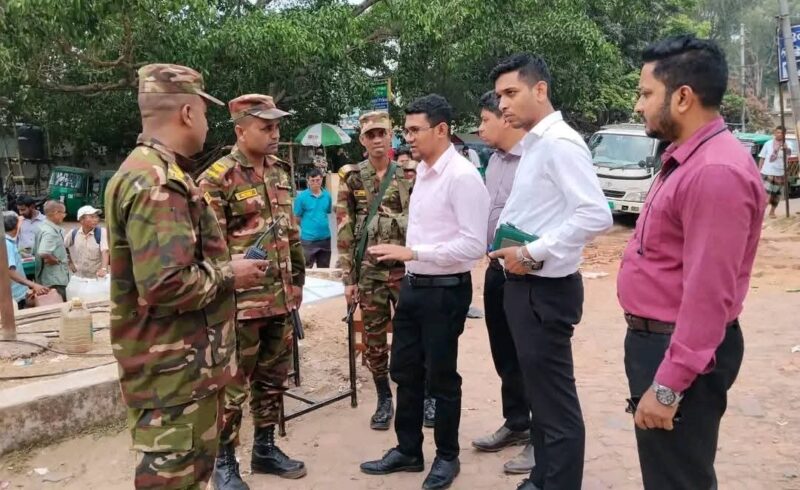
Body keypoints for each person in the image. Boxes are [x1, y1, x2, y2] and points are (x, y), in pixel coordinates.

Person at [105, 64, 268, 490]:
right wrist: (230, 273)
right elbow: (166, 283)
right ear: (188, 113)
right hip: (174, 377)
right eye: (206, 113)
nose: (208, 125)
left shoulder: (156, 172)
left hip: (182, 371)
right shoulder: (157, 181)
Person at [618, 35, 765, 490]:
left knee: (677, 479)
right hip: (663, 344)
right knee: (670, 472)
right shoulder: (689, 158)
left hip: (679, 352)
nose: (639, 105)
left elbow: (708, 296)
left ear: (682, 97)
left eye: (646, 93)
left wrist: (668, 386)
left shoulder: (714, 172)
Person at [488, 53, 613, 490]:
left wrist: (533, 251)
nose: (502, 104)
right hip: (526, 288)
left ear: (540, 90)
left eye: (511, 93)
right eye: (499, 96)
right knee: (541, 398)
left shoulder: (560, 143)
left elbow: (595, 214)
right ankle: (542, 478)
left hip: (544, 290)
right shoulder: (535, 144)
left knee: (556, 405)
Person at [360, 95, 490, 490]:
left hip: (445, 291)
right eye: (407, 130)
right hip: (415, 286)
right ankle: (408, 450)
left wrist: (414, 253)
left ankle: (447, 456)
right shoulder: (423, 172)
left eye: (415, 130)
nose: (408, 137)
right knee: (405, 371)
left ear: (442, 130)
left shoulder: (462, 177)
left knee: (441, 378)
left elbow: (474, 246)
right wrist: (410, 259)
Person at [198, 93, 307, 488]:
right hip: (238, 306)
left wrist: (297, 283)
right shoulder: (217, 179)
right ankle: (224, 463)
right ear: (241, 131)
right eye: (266, 127)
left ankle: (264, 448)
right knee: (231, 387)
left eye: (277, 126)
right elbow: (205, 249)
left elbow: (289, 234)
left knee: (273, 379)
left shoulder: (279, 173)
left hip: (280, 299)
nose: (275, 134)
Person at [336, 111, 412, 430]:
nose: (377, 139)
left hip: (406, 271)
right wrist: (349, 279)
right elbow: (345, 228)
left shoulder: (409, 174)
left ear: (391, 136)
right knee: (374, 340)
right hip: (369, 274)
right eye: (371, 135)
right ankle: (384, 398)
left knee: (416, 335)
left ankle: (423, 395)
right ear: (362, 140)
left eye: (382, 133)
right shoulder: (352, 177)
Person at [471, 90, 534, 474]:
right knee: (505, 354)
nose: (480, 129)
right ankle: (517, 421)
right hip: (496, 269)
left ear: (505, 119)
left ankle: (542, 437)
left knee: (532, 358)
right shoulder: (493, 161)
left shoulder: (535, 161)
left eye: (484, 120)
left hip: (527, 273)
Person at [4, 211, 48, 309]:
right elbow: (10, 272)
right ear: (17, 227)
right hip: (14, 295)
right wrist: (33, 285)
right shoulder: (7, 244)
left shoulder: (6, 242)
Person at [294, 168, 333, 268]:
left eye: (318, 180)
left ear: (322, 180)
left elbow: (327, 212)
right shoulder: (301, 197)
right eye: (312, 180)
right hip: (308, 240)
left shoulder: (327, 196)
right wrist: (307, 227)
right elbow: (297, 218)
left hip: (325, 239)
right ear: (308, 181)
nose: (315, 183)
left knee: (324, 269)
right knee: (307, 269)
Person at [33, 200, 70, 301]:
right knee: (57, 303)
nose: (64, 216)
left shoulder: (42, 227)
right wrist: (54, 259)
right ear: (56, 213)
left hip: (45, 277)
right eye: (63, 213)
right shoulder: (50, 232)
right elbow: (43, 252)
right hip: (55, 279)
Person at [64, 205, 109, 278]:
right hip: (79, 276)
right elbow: (63, 246)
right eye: (92, 217)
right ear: (81, 220)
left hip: (97, 277)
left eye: (96, 217)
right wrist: (70, 262)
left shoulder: (102, 232)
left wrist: (103, 269)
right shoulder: (73, 233)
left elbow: (105, 251)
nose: (96, 219)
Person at [758, 125, 790, 218]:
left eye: (782, 133)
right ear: (775, 133)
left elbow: (789, 155)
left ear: (785, 134)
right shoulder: (768, 144)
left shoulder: (787, 144)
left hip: (780, 173)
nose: (779, 134)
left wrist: (786, 149)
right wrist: (759, 171)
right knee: (766, 196)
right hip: (767, 172)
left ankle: (772, 212)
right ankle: (760, 215)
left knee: (776, 195)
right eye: (778, 132)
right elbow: (762, 158)